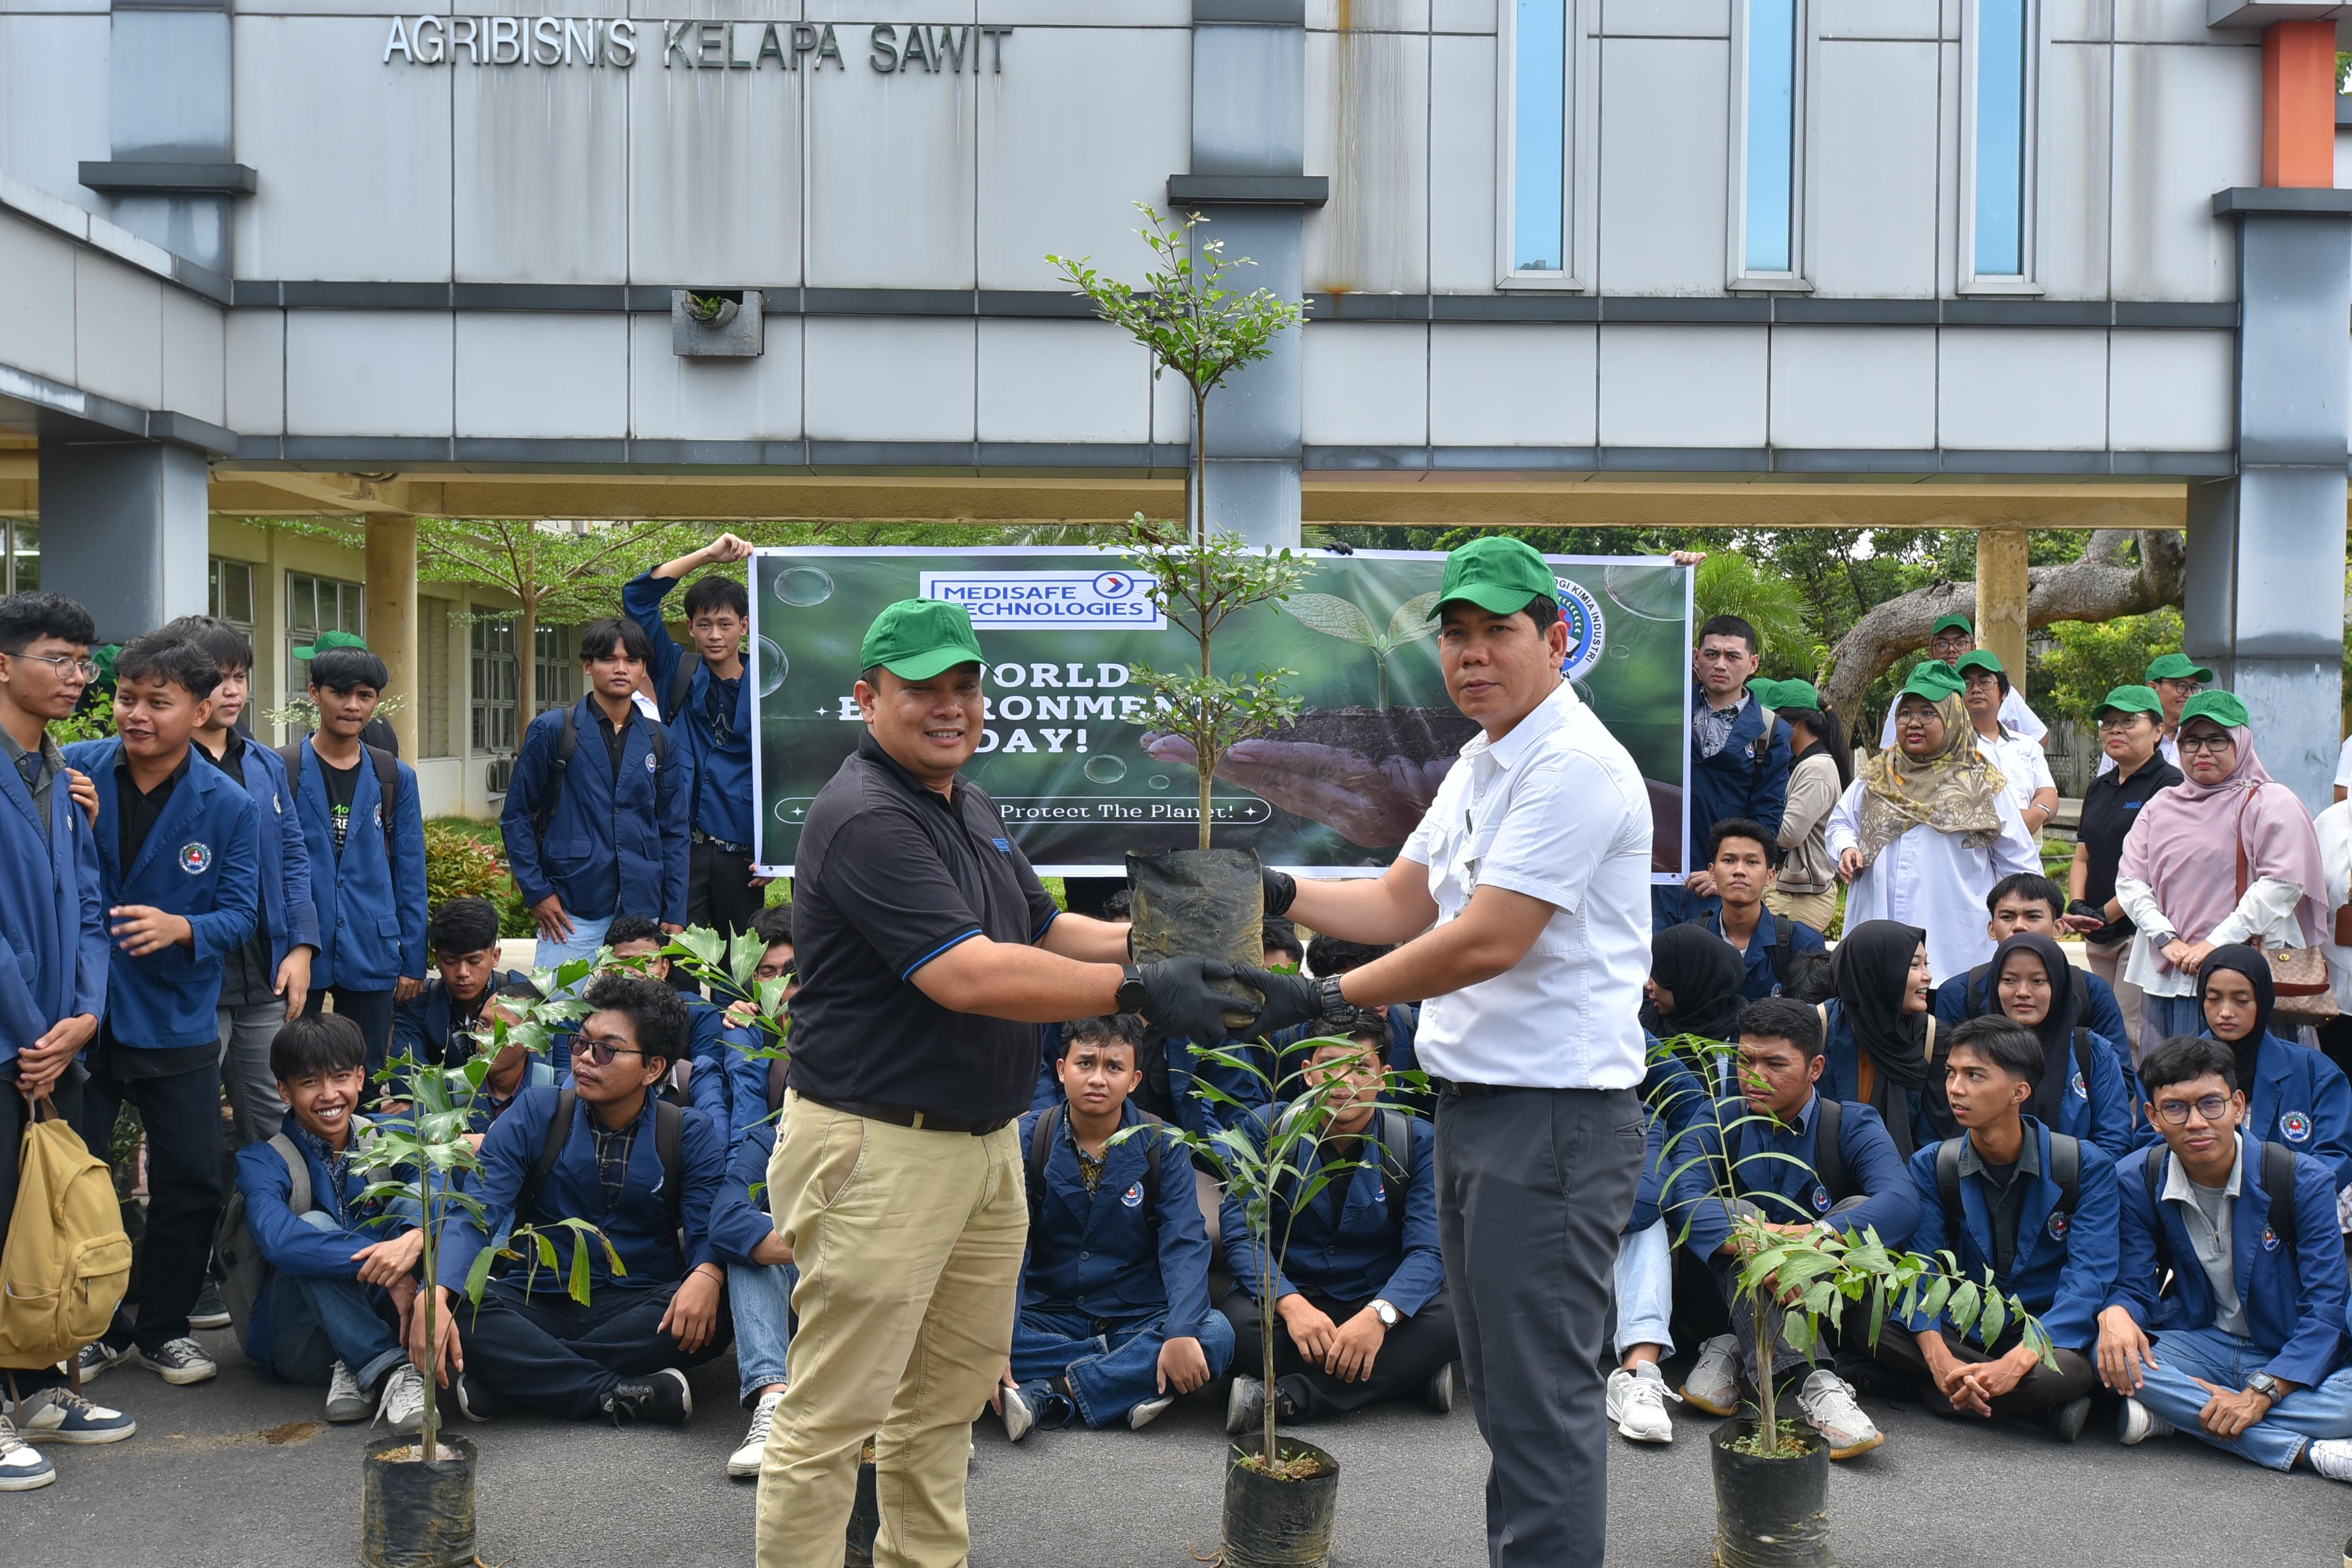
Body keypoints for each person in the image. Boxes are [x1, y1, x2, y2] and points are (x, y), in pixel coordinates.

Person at [754, 596, 1238, 1568]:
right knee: (832, 1416)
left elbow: (1048, 930)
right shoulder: (865, 816)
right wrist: (1148, 984)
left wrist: (1206, 936)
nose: (948, 707)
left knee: (942, 1402)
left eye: (963, 686)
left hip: (983, 1143)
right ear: (867, 698)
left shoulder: (965, 802)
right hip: (876, 1147)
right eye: (921, 689)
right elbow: (969, 973)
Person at [1238, 535, 1652, 1568]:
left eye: (1498, 632)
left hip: (1551, 1120)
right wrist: (1272, 890)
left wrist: (1314, 993)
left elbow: (1485, 938)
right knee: (1511, 1403)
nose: (1472, 654)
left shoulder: (1575, 765)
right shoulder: (1483, 757)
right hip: (1478, 1108)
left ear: (1556, 640)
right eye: (1455, 635)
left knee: (1540, 1405)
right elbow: (1397, 899)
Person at [67, 634, 262, 1389]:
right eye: (126, 697)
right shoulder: (74, 767)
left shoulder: (230, 804)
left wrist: (184, 928)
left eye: (157, 701)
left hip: (174, 1013)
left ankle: (164, 1327)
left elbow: (241, 915)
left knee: (190, 1180)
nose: (135, 713)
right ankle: (93, 1327)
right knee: (77, 1178)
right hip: (82, 1013)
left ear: (202, 706)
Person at [412, 973, 731, 1425]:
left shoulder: (686, 1131)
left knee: (716, 1311)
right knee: (456, 1308)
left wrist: (709, 1274)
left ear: (654, 1068)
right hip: (537, 1295)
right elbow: (478, 1210)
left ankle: (514, 1381)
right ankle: (614, 1393)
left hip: (638, 1302)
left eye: (606, 1050)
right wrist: (437, 1293)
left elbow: (706, 1229)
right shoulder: (537, 1112)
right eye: (581, 1043)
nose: (583, 1059)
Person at [1673, 997, 1918, 1459]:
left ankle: (1734, 1351)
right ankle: (1817, 1382)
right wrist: (1761, 1246)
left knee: (1860, 1208)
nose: (1755, 1076)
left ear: (1816, 1067)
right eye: (1745, 1060)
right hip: (1714, 1296)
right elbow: (1683, 1197)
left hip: (1817, 1299)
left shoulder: (1851, 1123)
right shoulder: (1717, 1117)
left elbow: (1902, 1204)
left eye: (1775, 1063)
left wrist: (1810, 1237)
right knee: (1735, 1210)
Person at [2100, 1035, 2352, 1476]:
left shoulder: (2301, 1179)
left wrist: (2262, 1393)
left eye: (2211, 1104)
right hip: (2206, 1342)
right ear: (2153, 1117)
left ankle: (2180, 1415)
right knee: (2108, 1353)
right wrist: (2117, 1311)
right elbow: (2134, 1284)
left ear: (2238, 1106)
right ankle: (2309, 1453)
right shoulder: (2138, 1178)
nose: (2196, 1122)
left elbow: (2326, 1309)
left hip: (2292, 1351)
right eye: (2176, 1108)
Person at [0, 592, 123, 1492]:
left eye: (85, 662)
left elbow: (89, 906)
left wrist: (85, 1013)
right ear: (4, 664)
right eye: (59, 658)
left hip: (58, 1040)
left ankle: (38, 1384)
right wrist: (30, 1032)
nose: (79, 677)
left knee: (44, 1223)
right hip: (14, 1040)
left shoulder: (62, 776)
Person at [1870, 1018, 2115, 1440]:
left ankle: (1941, 1394)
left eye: (1975, 1076)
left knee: (2074, 1368)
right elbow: (1921, 1267)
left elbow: (2089, 1277)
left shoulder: (2084, 1166)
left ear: (2020, 1092)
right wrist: (1938, 1357)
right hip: (1961, 1324)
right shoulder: (1933, 1163)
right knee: (1869, 1316)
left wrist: (2019, 1360)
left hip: (2038, 1328)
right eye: (1952, 1073)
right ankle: (2030, 1408)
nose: (1956, 1088)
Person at [998, 1013, 1232, 1437]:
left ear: (1136, 1079)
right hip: (1049, 1311)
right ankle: (1126, 1379)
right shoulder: (1028, 1137)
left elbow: (1184, 1242)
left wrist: (1178, 1333)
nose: (1098, 1079)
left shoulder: (1164, 1142)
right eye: (1085, 1063)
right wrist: (996, 1338)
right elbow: (1011, 1247)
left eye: (1114, 1067)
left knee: (1215, 1334)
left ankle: (1052, 1390)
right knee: (974, 1340)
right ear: (1061, 1069)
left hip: (1135, 1313)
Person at [1220, 1028, 1455, 1432]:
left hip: (1376, 1297)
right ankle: (1406, 1377)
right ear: (1308, 1073)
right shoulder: (1266, 1130)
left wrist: (1379, 1317)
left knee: (1456, 1318)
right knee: (1232, 1327)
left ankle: (1284, 1398)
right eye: (1330, 1066)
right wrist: (1291, 1305)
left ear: (1383, 1077)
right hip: (1294, 1297)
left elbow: (1429, 1252)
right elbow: (1244, 1237)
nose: (1344, 1082)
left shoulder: (1416, 1140)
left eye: (1362, 1068)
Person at [231, 1013, 427, 1433]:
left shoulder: (391, 1136)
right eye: (309, 1083)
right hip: (301, 1340)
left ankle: (357, 1364)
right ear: (284, 1090)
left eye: (340, 1077)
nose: (329, 1095)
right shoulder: (261, 1160)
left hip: (393, 1317)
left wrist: (412, 1240)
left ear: (361, 1078)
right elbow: (281, 1242)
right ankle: (390, 1368)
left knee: (420, 1206)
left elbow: (441, 1191)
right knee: (313, 1227)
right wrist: (388, 1266)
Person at [165, 614, 318, 1147]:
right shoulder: (157, 763)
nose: (231, 691)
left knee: (274, 1122)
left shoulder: (263, 763)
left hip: (264, 975)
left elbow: (293, 858)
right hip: (193, 974)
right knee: (192, 1124)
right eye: (217, 677)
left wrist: (300, 946)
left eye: (240, 677)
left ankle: (274, 1228)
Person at [2115, 690, 2329, 1044]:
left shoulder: (2270, 803)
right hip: (2175, 974)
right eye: (2191, 741)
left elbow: (2281, 885)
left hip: (2245, 974)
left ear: (2241, 741)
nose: (2202, 752)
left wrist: (2216, 944)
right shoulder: (2161, 806)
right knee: (2180, 1085)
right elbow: (2130, 882)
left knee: (2252, 1084)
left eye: (2217, 740)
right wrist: (2167, 940)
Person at [1826, 660, 2040, 983]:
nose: (1914, 722)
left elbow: (2019, 865)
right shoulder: (1877, 775)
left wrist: (2025, 931)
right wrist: (1846, 849)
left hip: (1953, 950)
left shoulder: (1981, 784)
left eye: (1928, 713)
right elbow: (1841, 823)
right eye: (1906, 713)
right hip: (1876, 936)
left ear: (1953, 717)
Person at [500, 617, 690, 969]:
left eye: (632, 661)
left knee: (636, 1016)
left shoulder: (661, 739)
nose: (621, 669)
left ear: (644, 669)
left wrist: (675, 909)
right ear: (588, 665)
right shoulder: (554, 730)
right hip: (572, 904)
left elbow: (675, 828)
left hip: (642, 904)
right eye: (609, 659)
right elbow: (516, 817)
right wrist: (538, 892)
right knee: (558, 1012)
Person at [283, 636, 427, 1082]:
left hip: (373, 942)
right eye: (339, 693)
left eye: (365, 696)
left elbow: (410, 869)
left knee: (364, 1068)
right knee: (291, 1063)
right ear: (314, 693)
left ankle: (360, 1148)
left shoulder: (393, 776)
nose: (352, 706)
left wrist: (413, 958)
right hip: (300, 945)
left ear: (376, 701)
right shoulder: (282, 769)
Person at [623, 535, 765, 969]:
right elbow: (637, 597)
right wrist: (707, 554)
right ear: (690, 628)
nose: (714, 634)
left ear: (744, 625)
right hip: (682, 850)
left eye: (725, 624)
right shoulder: (676, 670)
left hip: (743, 856)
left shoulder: (769, 684)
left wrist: (777, 851)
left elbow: (790, 766)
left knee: (740, 975)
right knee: (678, 968)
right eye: (704, 624)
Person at [2067, 685, 2183, 1062]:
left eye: (2129, 721)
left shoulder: (2169, 786)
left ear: (2158, 731)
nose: (2115, 730)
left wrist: (2107, 914)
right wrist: (2080, 904)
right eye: (2109, 722)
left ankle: (2133, 1118)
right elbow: (2083, 855)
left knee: (2129, 1030)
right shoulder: (2098, 787)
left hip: (2140, 931)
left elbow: (2154, 867)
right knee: (2096, 1025)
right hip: (2097, 931)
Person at [2177, 947, 2352, 1190]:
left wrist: (2283, 1198)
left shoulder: (2315, 1071)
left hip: (2295, 1210)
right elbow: (2152, 1149)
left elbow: (2335, 1157)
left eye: (2242, 1000)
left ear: (2263, 999)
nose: (2226, 1012)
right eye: (2214, 998)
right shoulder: (2176, 1069)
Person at [1667, 614, 1789, 927]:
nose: (1720, 664)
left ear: (1753, 664)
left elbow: (1767, 817)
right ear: (1696, 658)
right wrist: (1676, 571)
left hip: (1717, 890)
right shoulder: (1667, 711)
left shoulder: (1771, 731)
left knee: (1711, 970)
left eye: (1733, 656)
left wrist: (1728, 875)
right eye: (1712, 654)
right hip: (1658, 877)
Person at [603, 913, 766, 1145]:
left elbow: (710, 1089)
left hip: (681, 1135)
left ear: (665, 968)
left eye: (649, 962)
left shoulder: (697, 1013)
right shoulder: (579, 1018)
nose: (637, 972)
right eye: (627, 962)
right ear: (606, 968)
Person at [1973, 932, 2135, 1161]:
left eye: (2038, 981)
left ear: (2058, 984)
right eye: (2009, 980)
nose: (2023, 993)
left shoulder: (2093, 1053)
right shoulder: (1972, 1053)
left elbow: (2113, 1142)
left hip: (2079, 1188)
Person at [1932, 874, 2133, 1054]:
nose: (2019, 926)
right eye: (2008, 917)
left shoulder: (2092, 991)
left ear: (2058, 928)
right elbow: (1946, 1075)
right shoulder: (1959, 993)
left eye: (2033, 916)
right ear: (1992, 929)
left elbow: (2120, 1075)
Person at [706, 1085, 796, 1479]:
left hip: (869, 1291)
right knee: (749, 1240)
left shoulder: (886, 1138)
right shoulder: (772, 1138)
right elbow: (725, 1220)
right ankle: (773, 1399)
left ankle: (907, 1408)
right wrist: (826, 1247)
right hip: (800, 1294)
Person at [1817, 920, 1937, 1159]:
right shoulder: (1819, 1026)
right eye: (1914, 965)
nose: (1929, 976)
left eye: (1927, 964)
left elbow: (1931, 1142)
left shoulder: (1932, 1037)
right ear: (1874, 970)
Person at [1683, 818, 1826, 1002]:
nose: (1739, 871)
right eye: (1729, 860)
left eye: (1752, 862)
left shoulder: (1803, 943)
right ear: (1712, 871)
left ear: (1770, 876)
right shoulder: (1690, 942)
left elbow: (1812, 1021)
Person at [1751, 678, 1848, 933]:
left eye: (1775, 718)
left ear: (1795, 722)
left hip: (1802, 896)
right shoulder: (1801, 763)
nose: (1768, 725)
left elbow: (1788, 834)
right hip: (1788, 890)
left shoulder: (1817, 768)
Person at [390, 896, 530, 1071]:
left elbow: (547, 1070)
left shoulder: (526, 1000)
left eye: (474, 961)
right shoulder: (416, 1002)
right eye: (450, 961)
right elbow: (404, 1070)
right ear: (437, 959)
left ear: (495, 957)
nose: (463, 973)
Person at [1877, 612, 2047, 748]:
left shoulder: (1997, 690)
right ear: (1931, 652)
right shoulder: (1910, 695)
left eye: (1960, 643)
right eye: (1943, 644)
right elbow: (1888, 749)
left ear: (1973, 648)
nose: (1952, 650)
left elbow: (2039, 737)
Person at [1955, 651, 2059, 839]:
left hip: (2026, 861)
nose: (1976, 689)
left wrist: (2036, 814)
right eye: (1967, 683)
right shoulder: (1951, 748)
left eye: (1985, 682)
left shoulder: (2028, 746)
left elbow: (2048, 792)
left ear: (2003, 692)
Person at [1641, 922, 1744, 1054]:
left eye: (1658, 975)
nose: (1648, 986)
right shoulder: (1644, 1032)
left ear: (1689, 980)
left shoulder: (1746, 1039)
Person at [2121, 651, 2206, 780]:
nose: (2189, 694)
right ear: (2153, 688)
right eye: (2182, 686)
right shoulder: (2126, 736)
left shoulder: (2201, 737)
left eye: (2194, 688)